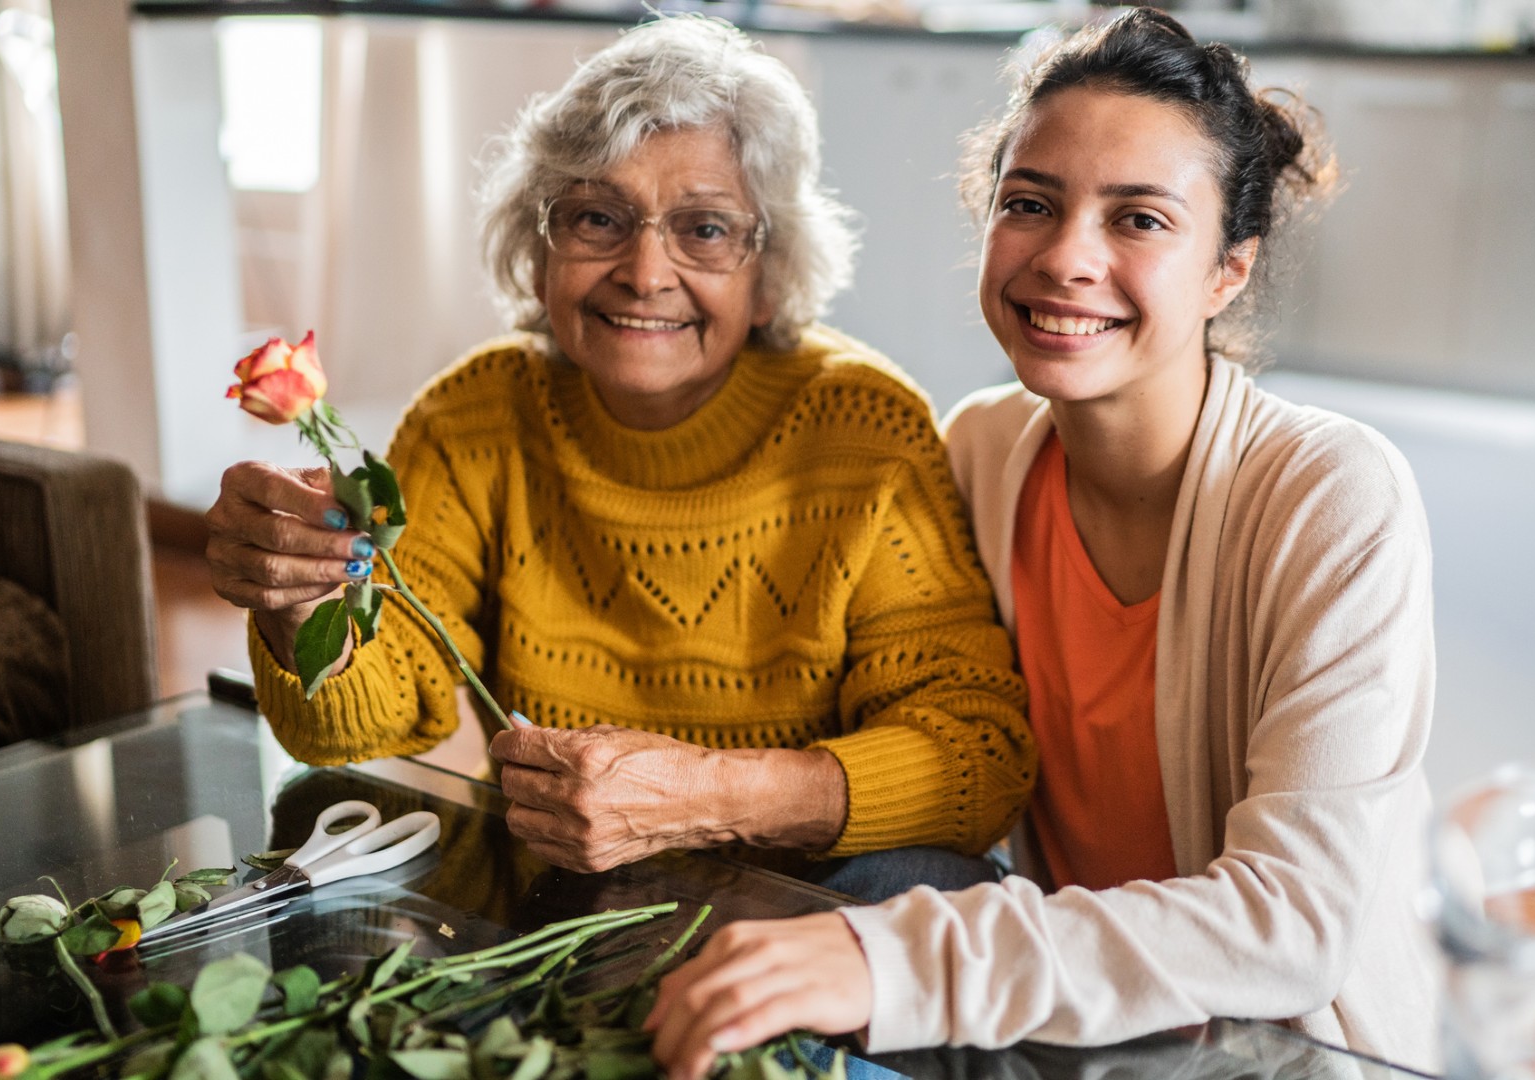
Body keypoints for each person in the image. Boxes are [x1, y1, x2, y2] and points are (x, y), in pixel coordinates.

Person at [646, 8, 1438, 1076]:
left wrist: (891, 966)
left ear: (1228, 271)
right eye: (1031, 204)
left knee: (876, 929)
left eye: (1140, 221)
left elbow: (1287, 925)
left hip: (1274, 1046)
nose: (1067, 258)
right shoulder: (978, 449)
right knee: (878, 877)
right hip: (1072, 1013)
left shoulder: (1330, 496)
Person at [202, 16, 1035, 896]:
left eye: (705, 230)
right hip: (565, 905)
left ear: (769, 268)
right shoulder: (473, 418)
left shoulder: (865, 432)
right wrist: (302, 603)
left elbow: (974, 760)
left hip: (805, 919)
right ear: (540, 247)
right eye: (598, 217)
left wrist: (706, 797)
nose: (644, 272)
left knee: (933, 882)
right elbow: (369, 721)